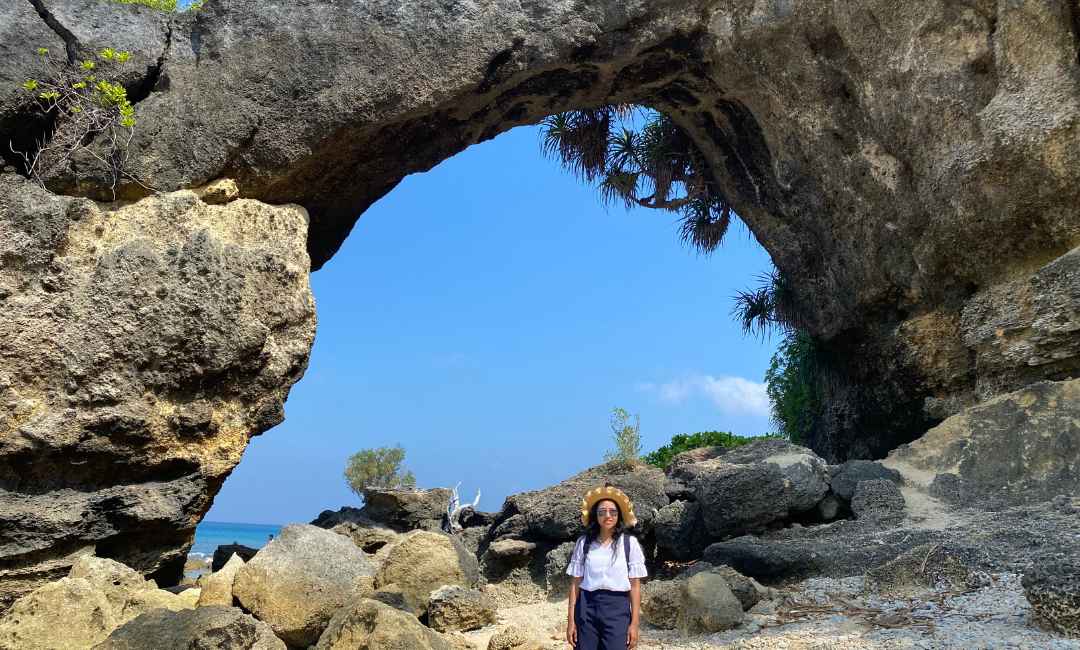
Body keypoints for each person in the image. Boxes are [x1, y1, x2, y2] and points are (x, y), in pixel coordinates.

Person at [565, 484, 648, 649]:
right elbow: (575, 584)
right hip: (586, 607)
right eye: (602, 512)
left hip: (617, 609)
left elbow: (635, 587)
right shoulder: (584, 543)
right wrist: (571, 621)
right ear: (595, 516)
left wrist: (634, 625)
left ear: (619, 515)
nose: (607, 516)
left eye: (613, 511)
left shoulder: (629, 544)